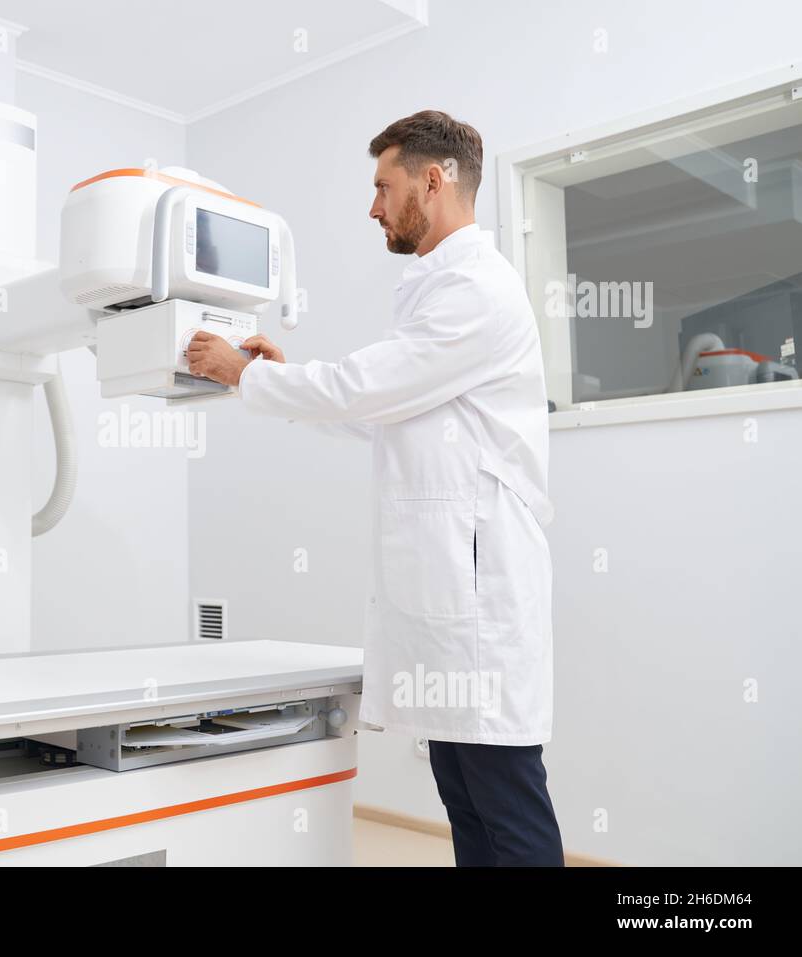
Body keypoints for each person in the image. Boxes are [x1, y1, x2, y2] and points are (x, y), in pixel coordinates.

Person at [186, 111, 564, 866]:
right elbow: (381, 414)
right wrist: (275, 376)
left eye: (383, 187)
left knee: (505, 799)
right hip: (452, 595)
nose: (373, 208)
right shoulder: (440, 288)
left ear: (434, 178)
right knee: (465, 794)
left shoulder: (478, 290)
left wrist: (247, 373)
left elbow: (366, 387)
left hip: (482, 598)